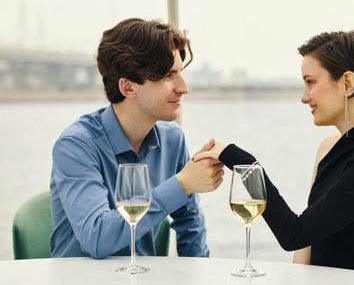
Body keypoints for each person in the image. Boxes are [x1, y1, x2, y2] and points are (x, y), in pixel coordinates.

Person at [194, 30, 354, 274]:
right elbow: (306, 244)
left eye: (310, 82)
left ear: (347, 83)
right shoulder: (330, 145)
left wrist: (243, 163)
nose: (304, 97)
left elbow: (293, 234)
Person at [49, 18, 224, 259]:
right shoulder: (75, 145)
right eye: (167, 76)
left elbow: (190, 224)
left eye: (180, 73)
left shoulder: (173, 139)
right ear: (128, 88)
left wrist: (197, 275)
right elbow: (96, 239)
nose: (183, 87)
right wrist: (182, 184)